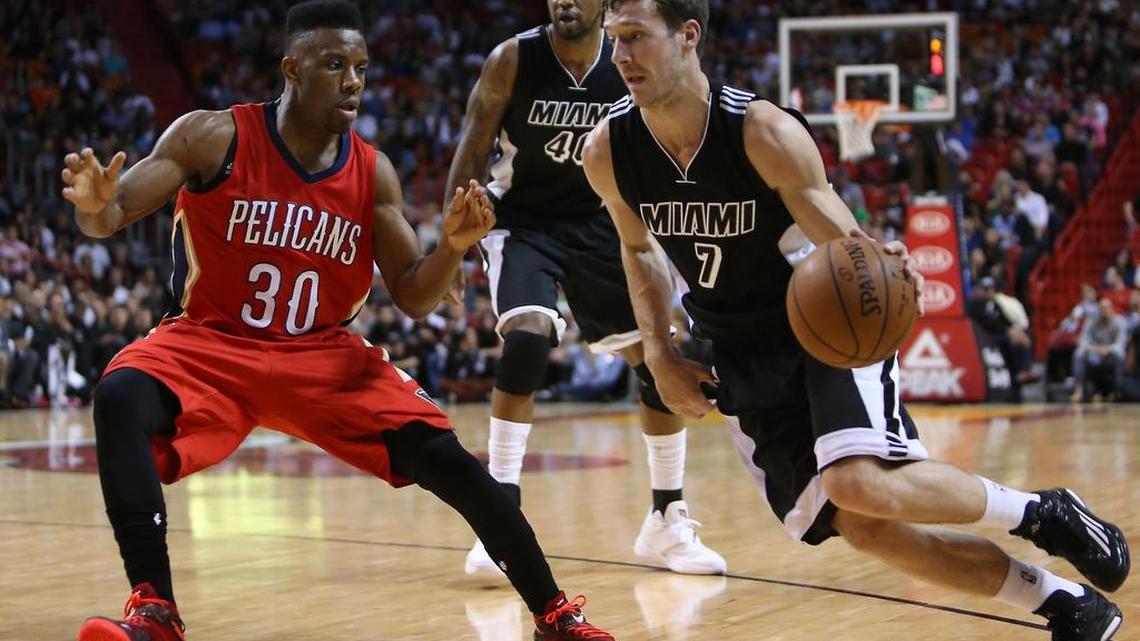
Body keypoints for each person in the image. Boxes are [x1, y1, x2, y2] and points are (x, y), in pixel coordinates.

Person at [60, 2, 613, 640]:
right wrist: (95, 209)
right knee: (120, 395)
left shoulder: (371, 173)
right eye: (333, 64)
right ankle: (155, 609)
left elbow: (412, 294)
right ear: (292, 69)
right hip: (212, 342)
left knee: (453, 462)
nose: (353, 80)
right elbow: (112, 212)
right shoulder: (213, 137)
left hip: (322, 356)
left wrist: (453, 248)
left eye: (360, 66)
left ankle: (554, 615)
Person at [581, 1, 1129, 640]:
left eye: (636, 38)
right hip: (735, 350)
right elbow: (639, 246)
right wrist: (658, 350)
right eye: (613, 39)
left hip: (823, 323)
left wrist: (880, 265)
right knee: (863, 525)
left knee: (857, 480)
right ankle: (1065, 604)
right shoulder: (607, 151)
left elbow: (837, 233)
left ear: (688, 36)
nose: (620, 56)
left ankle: (1043, 514)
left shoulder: (759, 130)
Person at [447, 0, 723, 576]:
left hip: (603, 225)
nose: (565, 2)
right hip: (522, 221)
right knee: (525, 341)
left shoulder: (626, 60)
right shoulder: (512, 59)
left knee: (658, 361)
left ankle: (666, 519)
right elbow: (473, 142)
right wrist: (451, 247)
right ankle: (500, 519)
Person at [1070, 298, 1129, 403]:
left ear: (1112, 309)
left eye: (1107, 308)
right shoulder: (1092, 321)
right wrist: (1095, 349)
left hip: (1111, 355)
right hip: (1095, 355)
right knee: (1079, 353)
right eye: (1102, 308)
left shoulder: (1120, 321)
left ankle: (1117, 392)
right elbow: (1083, 340)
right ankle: (1079, 391)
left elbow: (1121, 344)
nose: (1104, 311)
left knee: (1120, 356)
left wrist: (1107, 349)